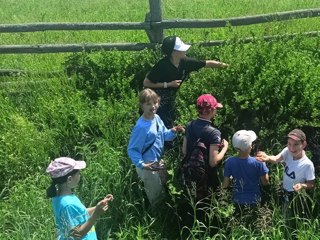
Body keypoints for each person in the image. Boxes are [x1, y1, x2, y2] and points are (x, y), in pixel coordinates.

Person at [143, 35, 229, 129]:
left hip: (170, 96)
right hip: (155, 98)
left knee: (169, 121)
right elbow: (146, 83)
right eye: (181, 49)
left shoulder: (185, 62)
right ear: (174, 52)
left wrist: (227, 66)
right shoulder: (162, 66)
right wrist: (168, 84)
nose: (184, 51)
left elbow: (207, 63)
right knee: (162, 124)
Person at [127, 88, 184, 207]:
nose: (153, 106)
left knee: (164, 186)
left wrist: (173, 131)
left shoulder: (156, 118)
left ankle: (165, 210)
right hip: (147, 165)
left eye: (155, 102)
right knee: (156, 195)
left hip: (158, 161)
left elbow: (164, 135)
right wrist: (142, 165)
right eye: (148, 104)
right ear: (142, 106)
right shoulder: (141, 127)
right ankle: (158, 217)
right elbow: (132, 149)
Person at [256, 129, 315, 229]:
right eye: (289, 143)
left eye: (296, 144)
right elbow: (276, 159)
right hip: (284, 191)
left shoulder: (307, 164)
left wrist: (302, 185)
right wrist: (267, 158)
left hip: (295, 196)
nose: (292, 148)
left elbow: (312, 184)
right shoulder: (287, 151)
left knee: (293, 219)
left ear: (304, 144)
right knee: (285, 216)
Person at [46, 157, 114, 240]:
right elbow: (77, 234)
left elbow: (81, 213)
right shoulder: (68, 204)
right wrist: (95, 215)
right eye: (78, 174)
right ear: (69, 179)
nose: (79, 176)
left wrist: (97, 207)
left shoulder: (60, 197)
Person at [182, 93, 229, 197]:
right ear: (212, 110)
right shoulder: (214, 132)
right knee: (206, 203)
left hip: (190, 171)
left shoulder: (189, 125)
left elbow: (184, 151)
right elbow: (213, 162)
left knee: (192, 198)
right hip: (206, 176)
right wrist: (225, 148)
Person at [223, 130, 269, 222]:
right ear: (250, 147)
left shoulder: (229, 162)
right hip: (254, 200)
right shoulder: (259, 162)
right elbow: (265, 182)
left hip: (237, 200)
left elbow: (225, 184)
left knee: (239, 224)